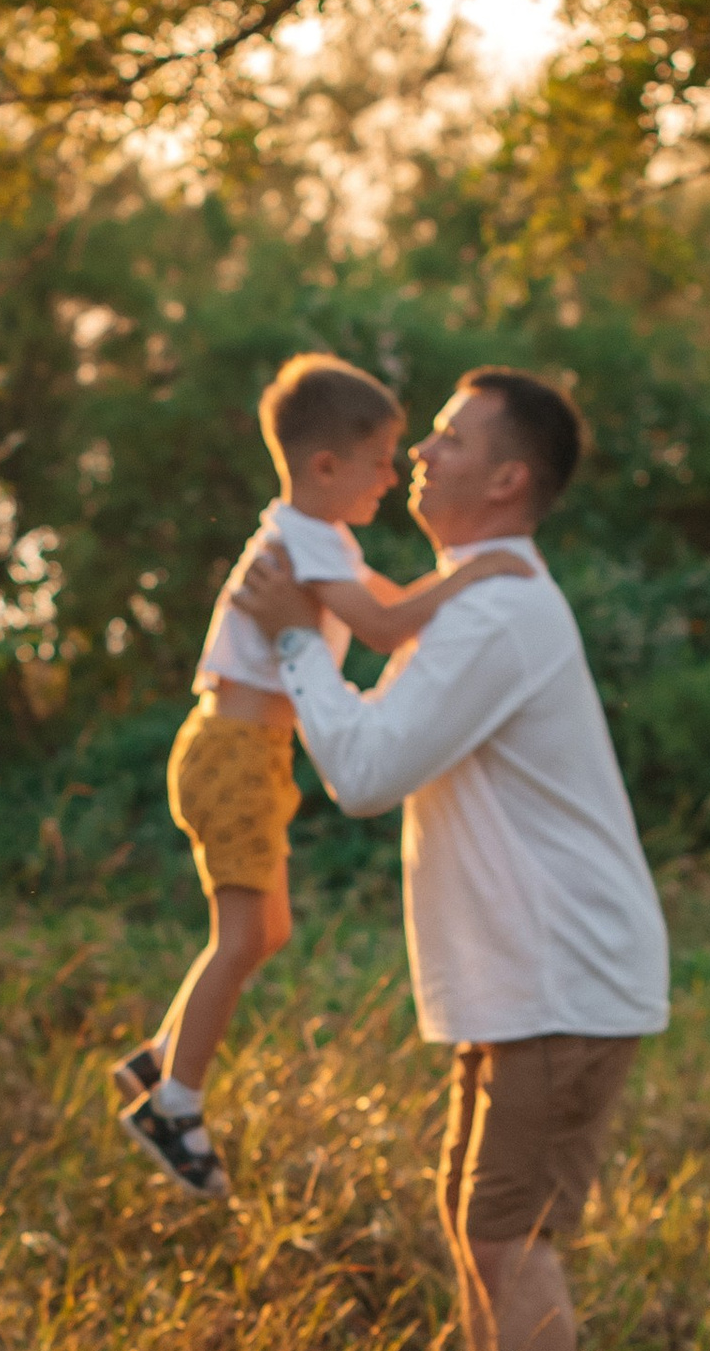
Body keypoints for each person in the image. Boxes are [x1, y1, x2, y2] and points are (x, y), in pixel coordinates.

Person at [235, 369, 668, 1351]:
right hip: (523, 981)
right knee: (477, 1217)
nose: (421, 452)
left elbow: (370, 768)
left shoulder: (499, 611)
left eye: (449, 438)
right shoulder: (472, 596)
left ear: (509, 476)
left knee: (505, 1232)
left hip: (556, 977)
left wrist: (292, 639)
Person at [112, 352, 536, 1202]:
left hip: (251, 753)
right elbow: (384, 625)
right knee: (243, 934)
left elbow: (389, 610)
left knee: (264, 930)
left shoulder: (323, 539)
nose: (398, 472)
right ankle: (174, 1105)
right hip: (233, 751)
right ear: (326, 466)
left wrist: (448, 596)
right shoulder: (303, 540)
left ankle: (161, 1057)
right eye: (381, 459)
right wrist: (478, 572)